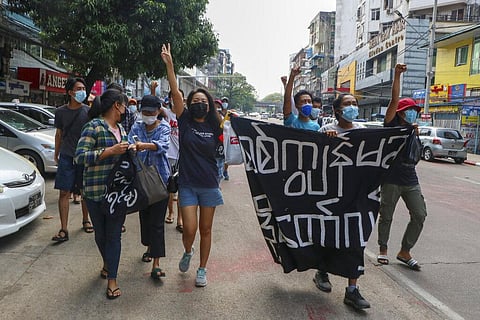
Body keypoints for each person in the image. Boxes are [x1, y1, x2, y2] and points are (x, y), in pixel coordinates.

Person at [161, 43, 224, 287]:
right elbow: (176, 92)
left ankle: (202, 269)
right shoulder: (185, 120)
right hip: (187, 185)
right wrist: (170, 65)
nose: (199, 103)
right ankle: (188, 251)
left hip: (209, 185)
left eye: (203, 101)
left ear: (209, 105)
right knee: (189, 229)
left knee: (206, 230)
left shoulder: (214, 125)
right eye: (195, 100)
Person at [75, 88, 130, 299]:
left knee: (114, 236)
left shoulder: (122, 129)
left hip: (118, 194)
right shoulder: (94, 127)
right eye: (124, 105)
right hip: (95, 191)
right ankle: (107, 262)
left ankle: (112, 279)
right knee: (101, 234)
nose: (125, 109)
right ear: (117, 105)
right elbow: (80, 157)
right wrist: (109, 151)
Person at [316, 93, 370, 310]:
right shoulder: (325, 131)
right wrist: (324, 142)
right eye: (347, 104)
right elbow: (312, 162)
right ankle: (322, 271)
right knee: (329, 235)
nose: (352, 107)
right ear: (337, 111)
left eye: (355, 103)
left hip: (356, 195)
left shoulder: (363, 133)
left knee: (355, 239)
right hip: (330, 193)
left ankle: (352, 290)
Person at [377, 64, 427, 271]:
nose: (413, 114)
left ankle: (405, 251)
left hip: (410, 179)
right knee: (386, 215)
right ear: (399, 113)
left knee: (420, 214)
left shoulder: (413, 130)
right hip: (390, 178)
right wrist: (397, 75)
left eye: (415, 111)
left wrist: (412, 131)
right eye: (409, 111)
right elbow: (394, 100)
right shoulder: (391, 126)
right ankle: (383, 249)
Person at [128, 94, 171, 279]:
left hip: (160, 180)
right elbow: (129, 142)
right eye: (144, 112)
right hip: (140, 180)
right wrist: (132, 147)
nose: (147, 115)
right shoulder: (137, 126)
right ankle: (149, 247)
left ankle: (156, 263)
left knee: (157, 222)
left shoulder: (165, 127)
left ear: (158, 111)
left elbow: (163, 146)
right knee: (145, 219)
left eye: (151, 112)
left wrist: (144, 145)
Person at [52, 77, 92, 242]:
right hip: (67, 156)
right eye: (78, 88)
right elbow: (59, 134)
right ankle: (64, 228)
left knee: (85, 192)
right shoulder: (60, 112)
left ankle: (86, 220)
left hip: (84, 157)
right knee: (64, 192)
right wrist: (56, 153)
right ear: (70, 92)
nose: (82, 91)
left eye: (83, 88)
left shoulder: (88, 111)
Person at [151, 83, 185, 233]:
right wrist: (153, 90)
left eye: (179, 97)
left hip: (183, 157)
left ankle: (180, 218)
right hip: (168, 156)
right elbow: (155, 103)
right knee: (170, 187)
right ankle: (170, 213)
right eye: (173, 97)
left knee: (182, 188)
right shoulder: (166, 113)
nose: (175, 99)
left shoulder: (186, 116)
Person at [282, 66, 320, 131]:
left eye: (309, 101)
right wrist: (292, 76)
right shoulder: (291, 120)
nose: (307, 104)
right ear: (296, 105)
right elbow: (287, 99)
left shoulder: (316, 127)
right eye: (303, 101)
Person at [220, 97, 230, 180]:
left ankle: (225, 171)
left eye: (226, 102)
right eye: (223, 101)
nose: (224, 103)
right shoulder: (218, 113)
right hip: (219, 136)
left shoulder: (229, 113)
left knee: (226, 156)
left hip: (226, 136)